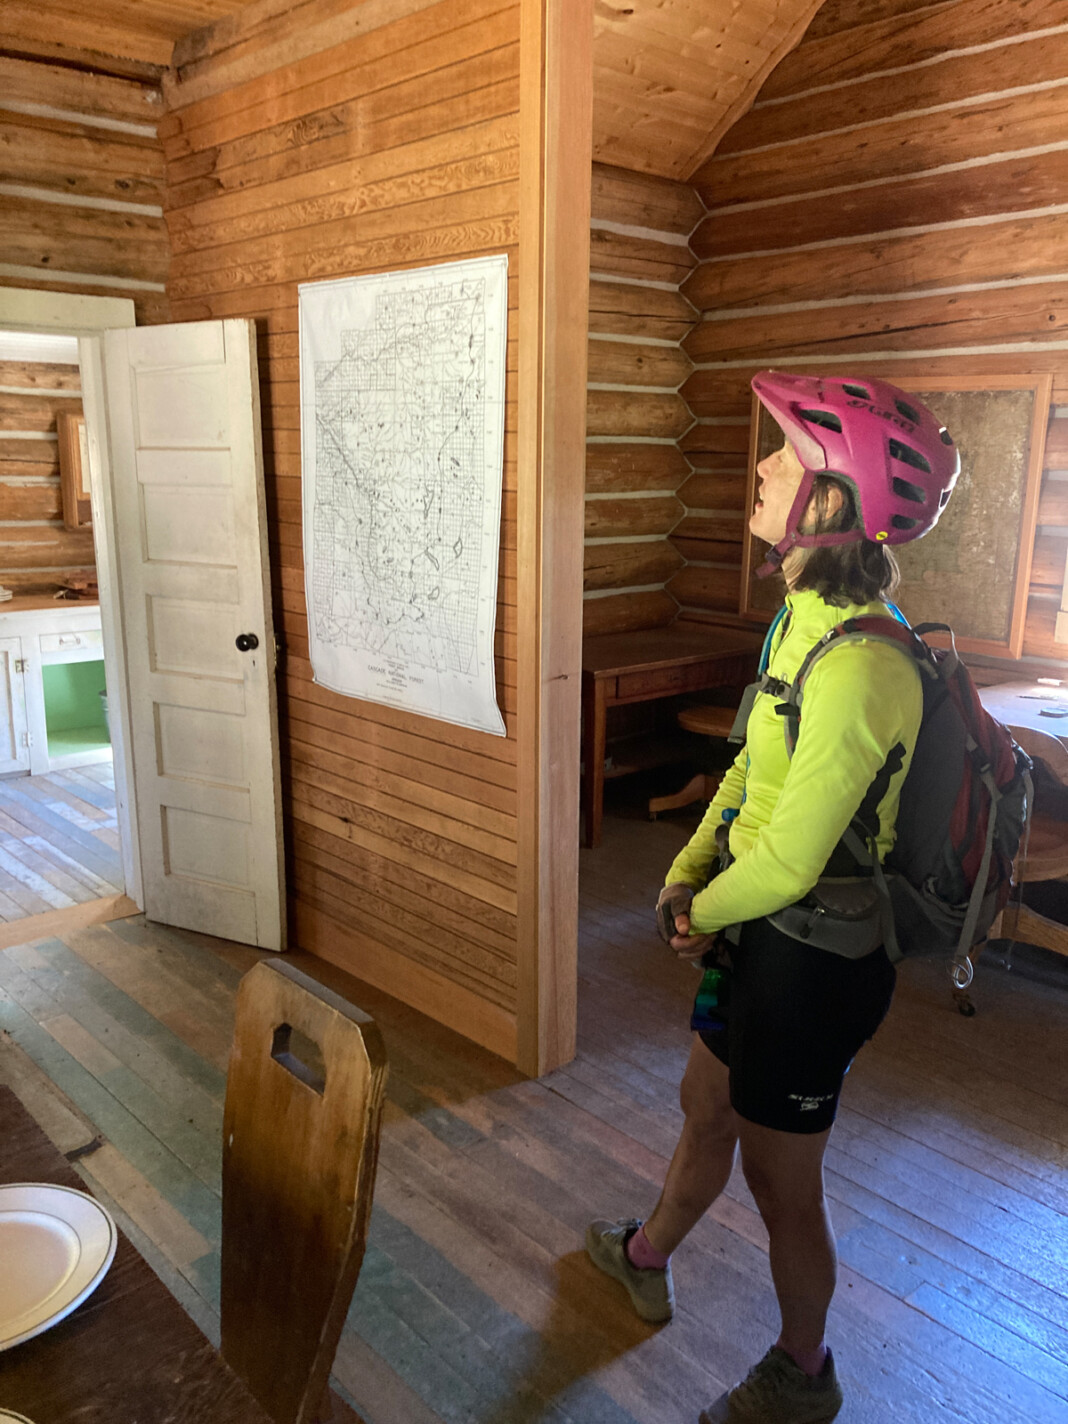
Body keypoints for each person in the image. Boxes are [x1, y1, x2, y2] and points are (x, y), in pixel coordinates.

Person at [585, 371, 960, 1424]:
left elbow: (795, 862)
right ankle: (647, 1254)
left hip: (817, 964)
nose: (760, 466)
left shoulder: (865, 669)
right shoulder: (801, 616)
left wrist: (694, 913)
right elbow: (751, 765)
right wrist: (689, 869)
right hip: (755, 933)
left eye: (785, 455)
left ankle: (805, 1369)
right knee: (705, 1105)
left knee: (783, 1183)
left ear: (833, 500)